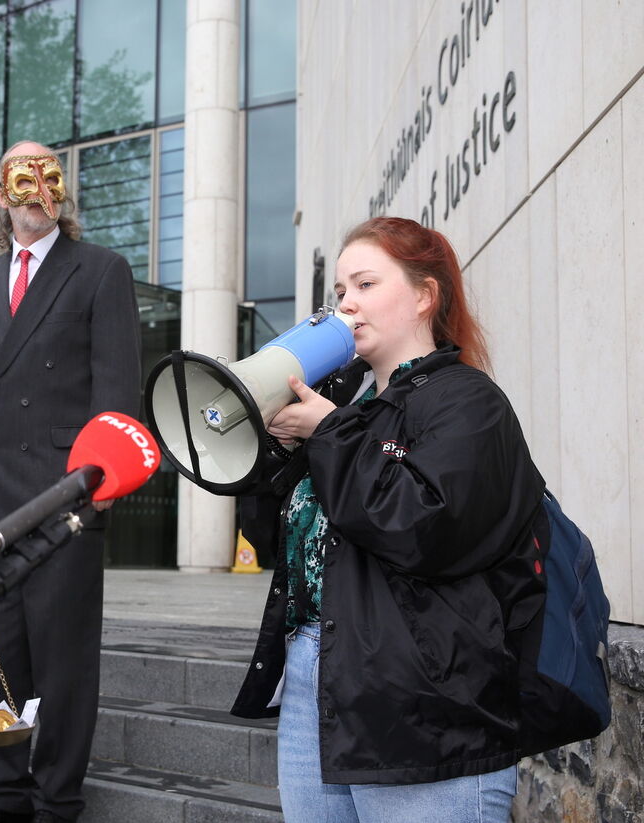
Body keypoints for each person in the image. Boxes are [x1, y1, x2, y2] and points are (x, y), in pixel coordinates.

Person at [230, 216, 547, 823]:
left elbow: (425, 526)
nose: (346, 303)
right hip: (315, 677)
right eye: (340, 290)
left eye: (366, 284)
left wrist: (329, 435)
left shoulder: (467, 401)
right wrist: (275, 452)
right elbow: (272, 543)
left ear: (425, 296)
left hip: (428, 705)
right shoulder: (343, 409)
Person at [0, 141, 141, 823]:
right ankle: (1, 795)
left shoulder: (101, 270)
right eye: (20, 177)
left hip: (65, 497)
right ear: (1, 196)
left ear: (62, 190)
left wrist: (99, 483)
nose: (37, 188)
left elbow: (117, 392)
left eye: (48, 174)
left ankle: (57, 801)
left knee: (63, 661)